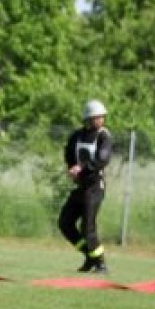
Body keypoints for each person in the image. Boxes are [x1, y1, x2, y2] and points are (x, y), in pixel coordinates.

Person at [58, 99, 113, 273]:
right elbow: (69, 155)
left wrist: (81, 167)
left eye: (102, 117)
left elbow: (101, 159)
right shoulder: (76, 136)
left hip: (95, 187)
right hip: (80, 187)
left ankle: (101, 264)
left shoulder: (104, 136)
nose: (100, 121)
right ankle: (90, 257)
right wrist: (71, 169)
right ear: (87, 119)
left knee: (87, 226)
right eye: (96, 117)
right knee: (65, 223)